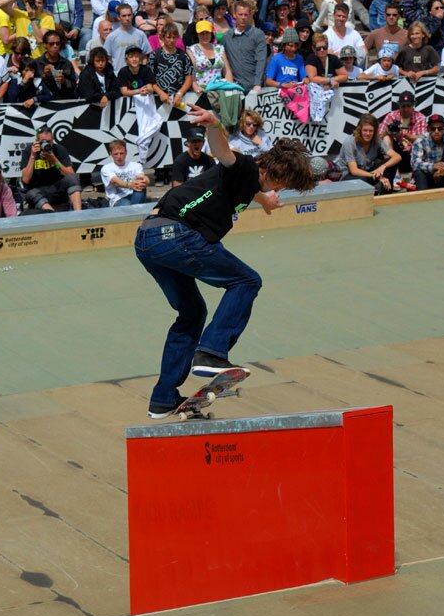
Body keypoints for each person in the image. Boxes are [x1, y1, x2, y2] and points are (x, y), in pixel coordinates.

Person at [134, 100, 316, 418]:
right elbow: (224, 153)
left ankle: (163, 398)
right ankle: (211, 354)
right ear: (275, 173)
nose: (281, 189)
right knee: (246, 280)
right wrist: (215, 124)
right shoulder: (245, 167)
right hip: (177, 236)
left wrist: (266, 201)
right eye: (283, 185)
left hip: (149, 240)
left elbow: (248, 187)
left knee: (192, 313)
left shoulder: (247, 182)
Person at [334, 112, 400, 194]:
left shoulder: (376, 140)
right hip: (348, 176)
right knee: (363, 182)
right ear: (359, 130)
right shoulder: (350, 142)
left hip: (369, 171)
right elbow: (354, 170)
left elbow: (397, 156)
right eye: (365, 130)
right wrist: (376, 176)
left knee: (391, 163)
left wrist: (382, 167)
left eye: (371, 131)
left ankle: (385, 193)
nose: (368, 134)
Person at [20, 126, 82, 212]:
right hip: (38, 189)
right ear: (37, 141)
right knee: (32, 193)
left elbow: (71, 175)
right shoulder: (29, 151)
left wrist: (54, 161)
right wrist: (32, 157)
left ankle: (79, 215)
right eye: (43, 142)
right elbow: (25, 180)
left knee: (73, 179)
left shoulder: (59, 149)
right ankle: (54, 217)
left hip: (56, 187)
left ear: (53, 139)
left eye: (49, 141)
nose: (47, 144)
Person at [378, 90, 427, 179]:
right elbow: (378, 137)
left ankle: (415, 174)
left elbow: (423, 140)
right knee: (386, 138)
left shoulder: (420, 117)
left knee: (420, 144)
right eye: (403, 106)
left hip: (412, 155)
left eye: (408, 106)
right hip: (395, 154)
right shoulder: (391, 116)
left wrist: (403, 134)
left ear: (413, 105)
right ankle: (394, 172)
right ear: (399, 105)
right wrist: (387, 132)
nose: (405, 109)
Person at [222, 0, 268, 94]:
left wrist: (257, 83)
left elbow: (261, 60)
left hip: (254, 86)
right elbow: (223, 61)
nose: (243, 17)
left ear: (250, 15)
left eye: (246, 15)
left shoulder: (258, 34)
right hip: (234, 87)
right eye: (240, 14)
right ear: (234, 15)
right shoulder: (226, 36)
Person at [147, 21, 194, 105]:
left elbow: (189, 77)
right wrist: (160, 93)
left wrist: (180, 93)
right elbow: (150, 78)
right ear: (162, 37)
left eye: (174, 37)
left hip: (180, 98)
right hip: (158, 98)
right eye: (169, 37)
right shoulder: (155, 55)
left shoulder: (183, 55)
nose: (172, 40)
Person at [411, 113, 444, 190]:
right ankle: (423, 195)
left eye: (440, 128)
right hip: (427, 175)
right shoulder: (421, 141)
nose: (436, 131)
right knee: (418, 171)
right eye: (433, 128)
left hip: (443, 173)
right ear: (428, 129)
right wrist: (433, 166)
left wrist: (443, 167)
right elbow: (415, 163)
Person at [103, 3, 152, 73]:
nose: (127, 18)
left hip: (137, 76)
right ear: (118, 17)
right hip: (118, 75)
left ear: (132, 16)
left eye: (129, 15)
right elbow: (107, 57)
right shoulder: (112, 36)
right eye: (124, 16)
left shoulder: (141, 34)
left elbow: (144, 57)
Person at [188, 18, 233, 92]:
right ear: (197, 34)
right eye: (202, 33)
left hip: (219, 89)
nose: (205, 36)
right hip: (201, 91)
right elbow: (190, 73)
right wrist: (196, 87)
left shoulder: (219, 48)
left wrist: (230, 86)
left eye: (207, 33)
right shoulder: (191, 50)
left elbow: (227, 71)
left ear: (211, 33)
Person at [101, 139, 150, 206]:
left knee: (141, 185)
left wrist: (146, 181)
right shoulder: (106, 168)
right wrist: (131, 185)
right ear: (111, 154)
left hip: (135, 194)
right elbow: (115, 182)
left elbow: (142, 176)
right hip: (118, 199)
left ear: (126, 152)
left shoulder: (136, 165)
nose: (119, 157)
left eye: (121, 153)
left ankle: (133, 210)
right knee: (127, 205)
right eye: (116, 154)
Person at [34, 30, 77, 99]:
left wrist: (64, 81)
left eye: (58, 43)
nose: (55, 46)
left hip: (62, 101)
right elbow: (32, 86)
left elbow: (73, 85)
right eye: (51, 44)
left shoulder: (66, 63)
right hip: (42, 102)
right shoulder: (36, 63)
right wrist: (44, 75)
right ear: (45, 45)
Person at [323, 2, 367, 67]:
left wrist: (339, 54)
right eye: (339, 16)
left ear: (347, 18)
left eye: (344, 16)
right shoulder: (326, 35)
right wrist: (351, 54)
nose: (341, 19)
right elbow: (329, 56)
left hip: (354, 68)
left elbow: (364, 52)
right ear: (334, 15)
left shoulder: (354, 33)